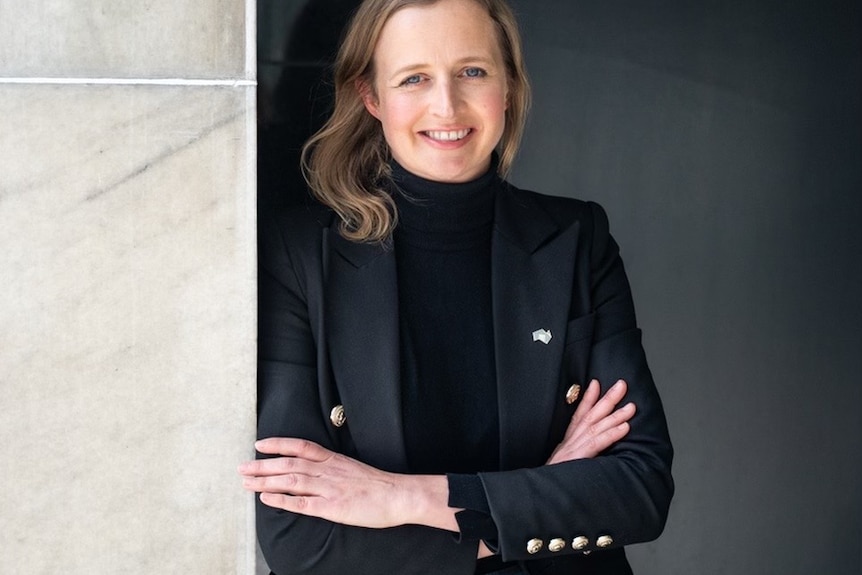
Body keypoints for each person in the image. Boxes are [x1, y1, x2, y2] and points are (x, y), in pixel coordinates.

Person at [239, 0, 674, 573]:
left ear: (509, 85)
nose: (446, 105)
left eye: (472, 71)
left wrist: (402, 497)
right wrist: (540, 492)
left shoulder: (577, 239)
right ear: (371, 97)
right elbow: (300, 539)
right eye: (414, 78)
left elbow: (638, 491)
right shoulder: (297, 258)